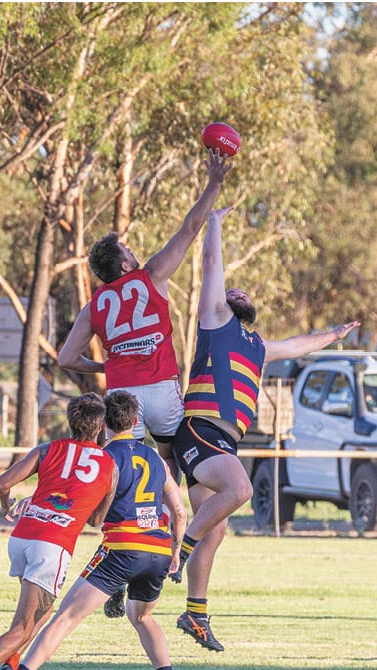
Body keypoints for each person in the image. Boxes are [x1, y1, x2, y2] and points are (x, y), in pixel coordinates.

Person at [168, 205, 358, 652]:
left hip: (217, 441)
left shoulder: (257, 346)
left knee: (218, 527)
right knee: (242, 491)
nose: (238, 289)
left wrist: (334, 335)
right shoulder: (216, 321)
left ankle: (195, 614)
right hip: (200, 431)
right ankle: (180, 550)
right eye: (234, 289)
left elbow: (299, 344)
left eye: (242, 290)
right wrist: (213, 221)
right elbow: (213, 265)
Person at [1, 390, 190, 670]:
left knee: (65, 617)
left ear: (104, 425)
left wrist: (32, 503)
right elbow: (179, 512)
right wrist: (175, 552)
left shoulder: (105, 458)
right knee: (142, 617)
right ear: (135, 421)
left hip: (123, 547)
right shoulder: (155, 457)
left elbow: (77, 500)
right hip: (157, 549)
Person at [57, 149, 234, 465]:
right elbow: (191, 227)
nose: (131, 249)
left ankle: (123, 515)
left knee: (123, 464)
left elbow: (66, 358)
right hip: (162, 386)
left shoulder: (93, 306)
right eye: (126, 249)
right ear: (124, 265)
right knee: (168, 460)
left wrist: (105, 366)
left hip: (122, 393)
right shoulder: (152, 274)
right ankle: (169, 514)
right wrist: (214, 184)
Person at [0, 393, 116, 670]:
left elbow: (2, 483)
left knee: (42, 612)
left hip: (22, 537)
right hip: (52, 547)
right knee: (22, 628)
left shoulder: (47, 449)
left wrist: (6, 506)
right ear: (101, 425)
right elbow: (96, 520)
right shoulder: (109, 464)